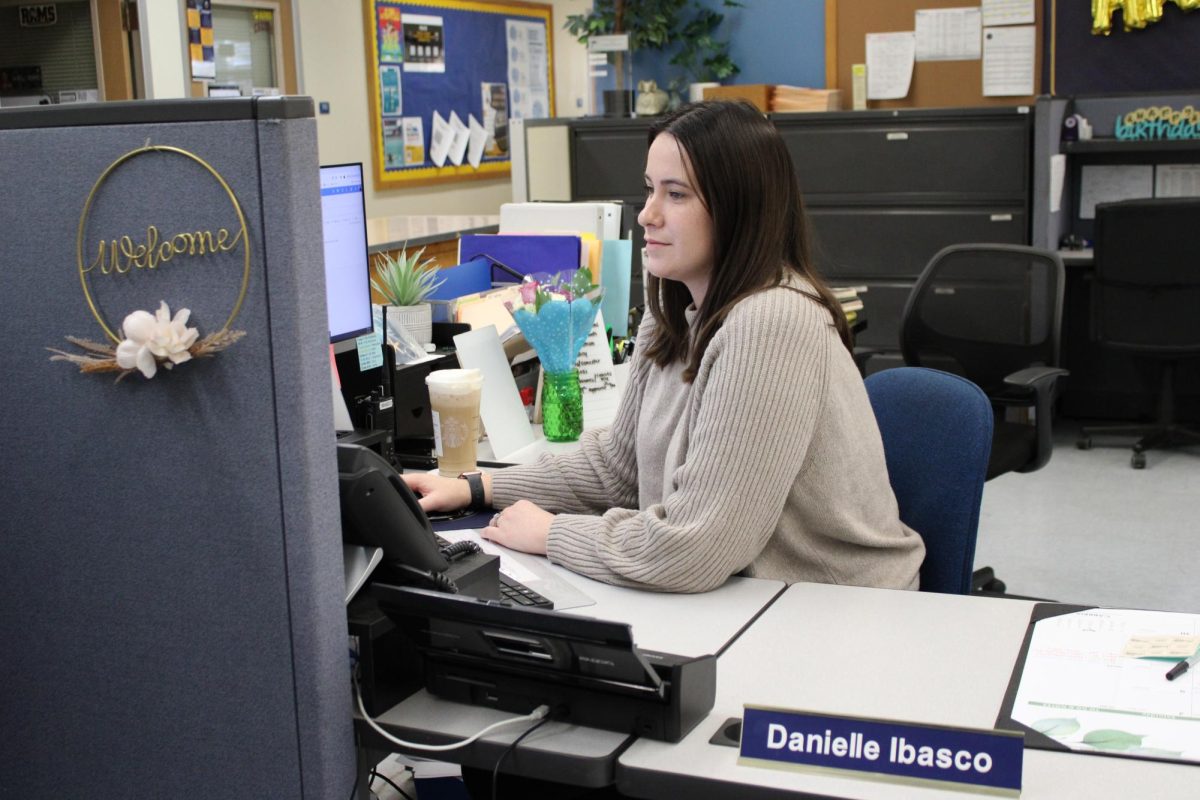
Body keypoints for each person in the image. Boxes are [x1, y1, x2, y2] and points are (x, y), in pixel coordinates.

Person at [404, 100, 925, 592]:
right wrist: (478, 488)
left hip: (835, 608)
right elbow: (619, 468)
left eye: (676, 195)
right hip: (745, 592)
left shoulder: (773, 320)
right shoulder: (675, 307)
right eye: (650, 189)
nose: (647, 215)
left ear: (739, 209)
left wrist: (552, 535)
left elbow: (697, 547)